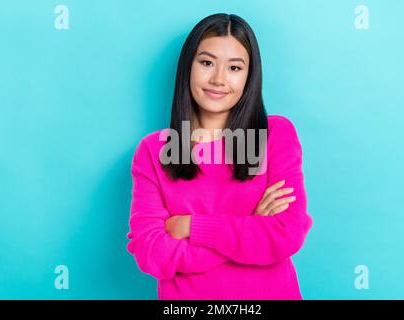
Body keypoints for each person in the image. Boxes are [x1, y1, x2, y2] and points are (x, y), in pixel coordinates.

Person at [126, 13, 313, 300]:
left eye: (235, 67)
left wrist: (192, 226)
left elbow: (287, 233)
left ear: (249, 76)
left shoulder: (275, 134)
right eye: (207, 62)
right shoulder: (155, 150)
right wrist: (249, 226)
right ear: (188, 66)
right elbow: (152, 254)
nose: (218, 79)